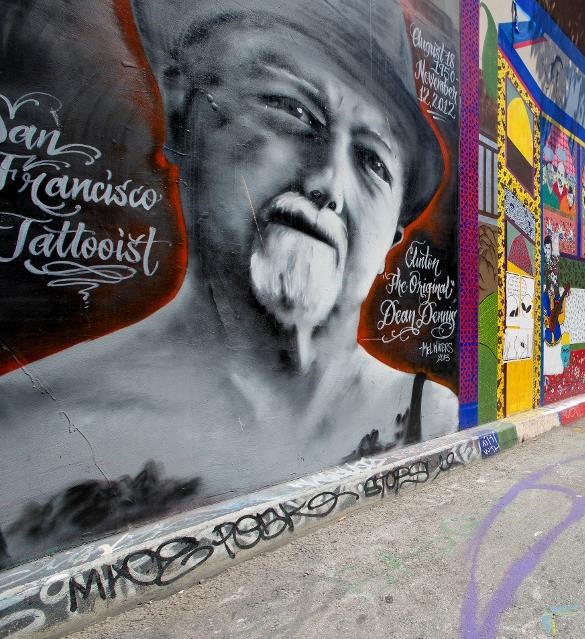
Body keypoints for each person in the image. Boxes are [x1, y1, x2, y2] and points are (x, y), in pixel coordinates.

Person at [0, 0, 458, 562]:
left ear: (393, 234)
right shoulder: (22, 429)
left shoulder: (429, 412)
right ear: (182, 111)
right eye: (290, 110)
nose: (327, 183)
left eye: (372, 161)